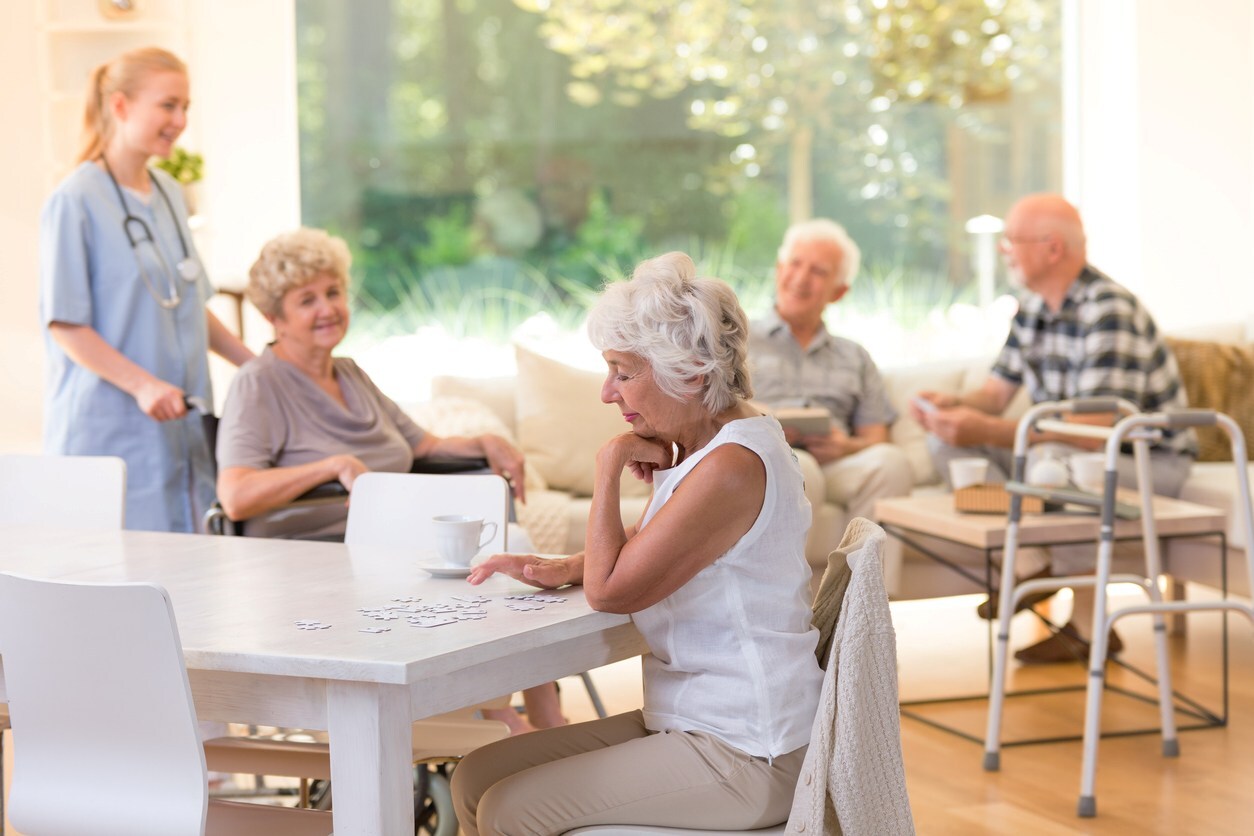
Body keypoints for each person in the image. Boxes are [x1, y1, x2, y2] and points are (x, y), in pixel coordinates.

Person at [451, 252, 822, 834]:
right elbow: (661, 552)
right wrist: (567, 564)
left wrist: (611, 463)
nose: (607, 393)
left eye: (623, 372)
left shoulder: (731, 466)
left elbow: (611, 592)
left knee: (509, 810)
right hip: (697, 719)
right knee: (476, 776)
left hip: (750, 751)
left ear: (691, 371)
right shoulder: (711, 445)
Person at [216, 226, 562, 732]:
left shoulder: (351, 372)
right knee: (501, 560)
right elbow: (236, 495)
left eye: (333, 292)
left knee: (517, 547)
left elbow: (421, 446)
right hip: (327, 556)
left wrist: (486, 440)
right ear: (274, 317)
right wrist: (331, 465)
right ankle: (501, 717)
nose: (327, 308)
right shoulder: (258, 384)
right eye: (306, 300)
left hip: (397, 537)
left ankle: (538, 717)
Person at [911, 193, 1195, 664]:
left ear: (1051, 248)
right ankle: (1032, 565)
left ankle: (1071, 609)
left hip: (1146, 461)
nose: (1005, 252)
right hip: (1066, 452)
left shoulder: (1109, 310)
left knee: (1057, 463)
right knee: (948, 441)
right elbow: (995, 395)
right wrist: (952, 406)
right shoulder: (1033, 307)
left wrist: (985, 428)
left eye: (1011, 242)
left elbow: (1093, 431)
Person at [40, 46, 254, 533]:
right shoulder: (74, 200)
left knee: (189, 573)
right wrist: (143, 385)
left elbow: (189, 304)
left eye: (186, 108)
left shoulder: (169, 193)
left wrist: (256, 365)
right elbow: (66, 324)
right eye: (168, 105)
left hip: (181, 424)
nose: (180, 120)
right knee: (118, 577)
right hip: (111, 426)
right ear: (120, 106)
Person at [749, 219, 913, 592]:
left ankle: (866, 616)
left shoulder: (854, 356)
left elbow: (876, 436)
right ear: (779, 269)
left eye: (818, 271)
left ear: (838, 291)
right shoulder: (737, 339)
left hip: (836, 462)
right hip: (767, 462)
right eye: (795, 263)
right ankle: (786, 618)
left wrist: (846, 445)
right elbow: (714, 410)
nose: (801, 278)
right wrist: (769, 422)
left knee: (891, 462)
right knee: (798, 465)